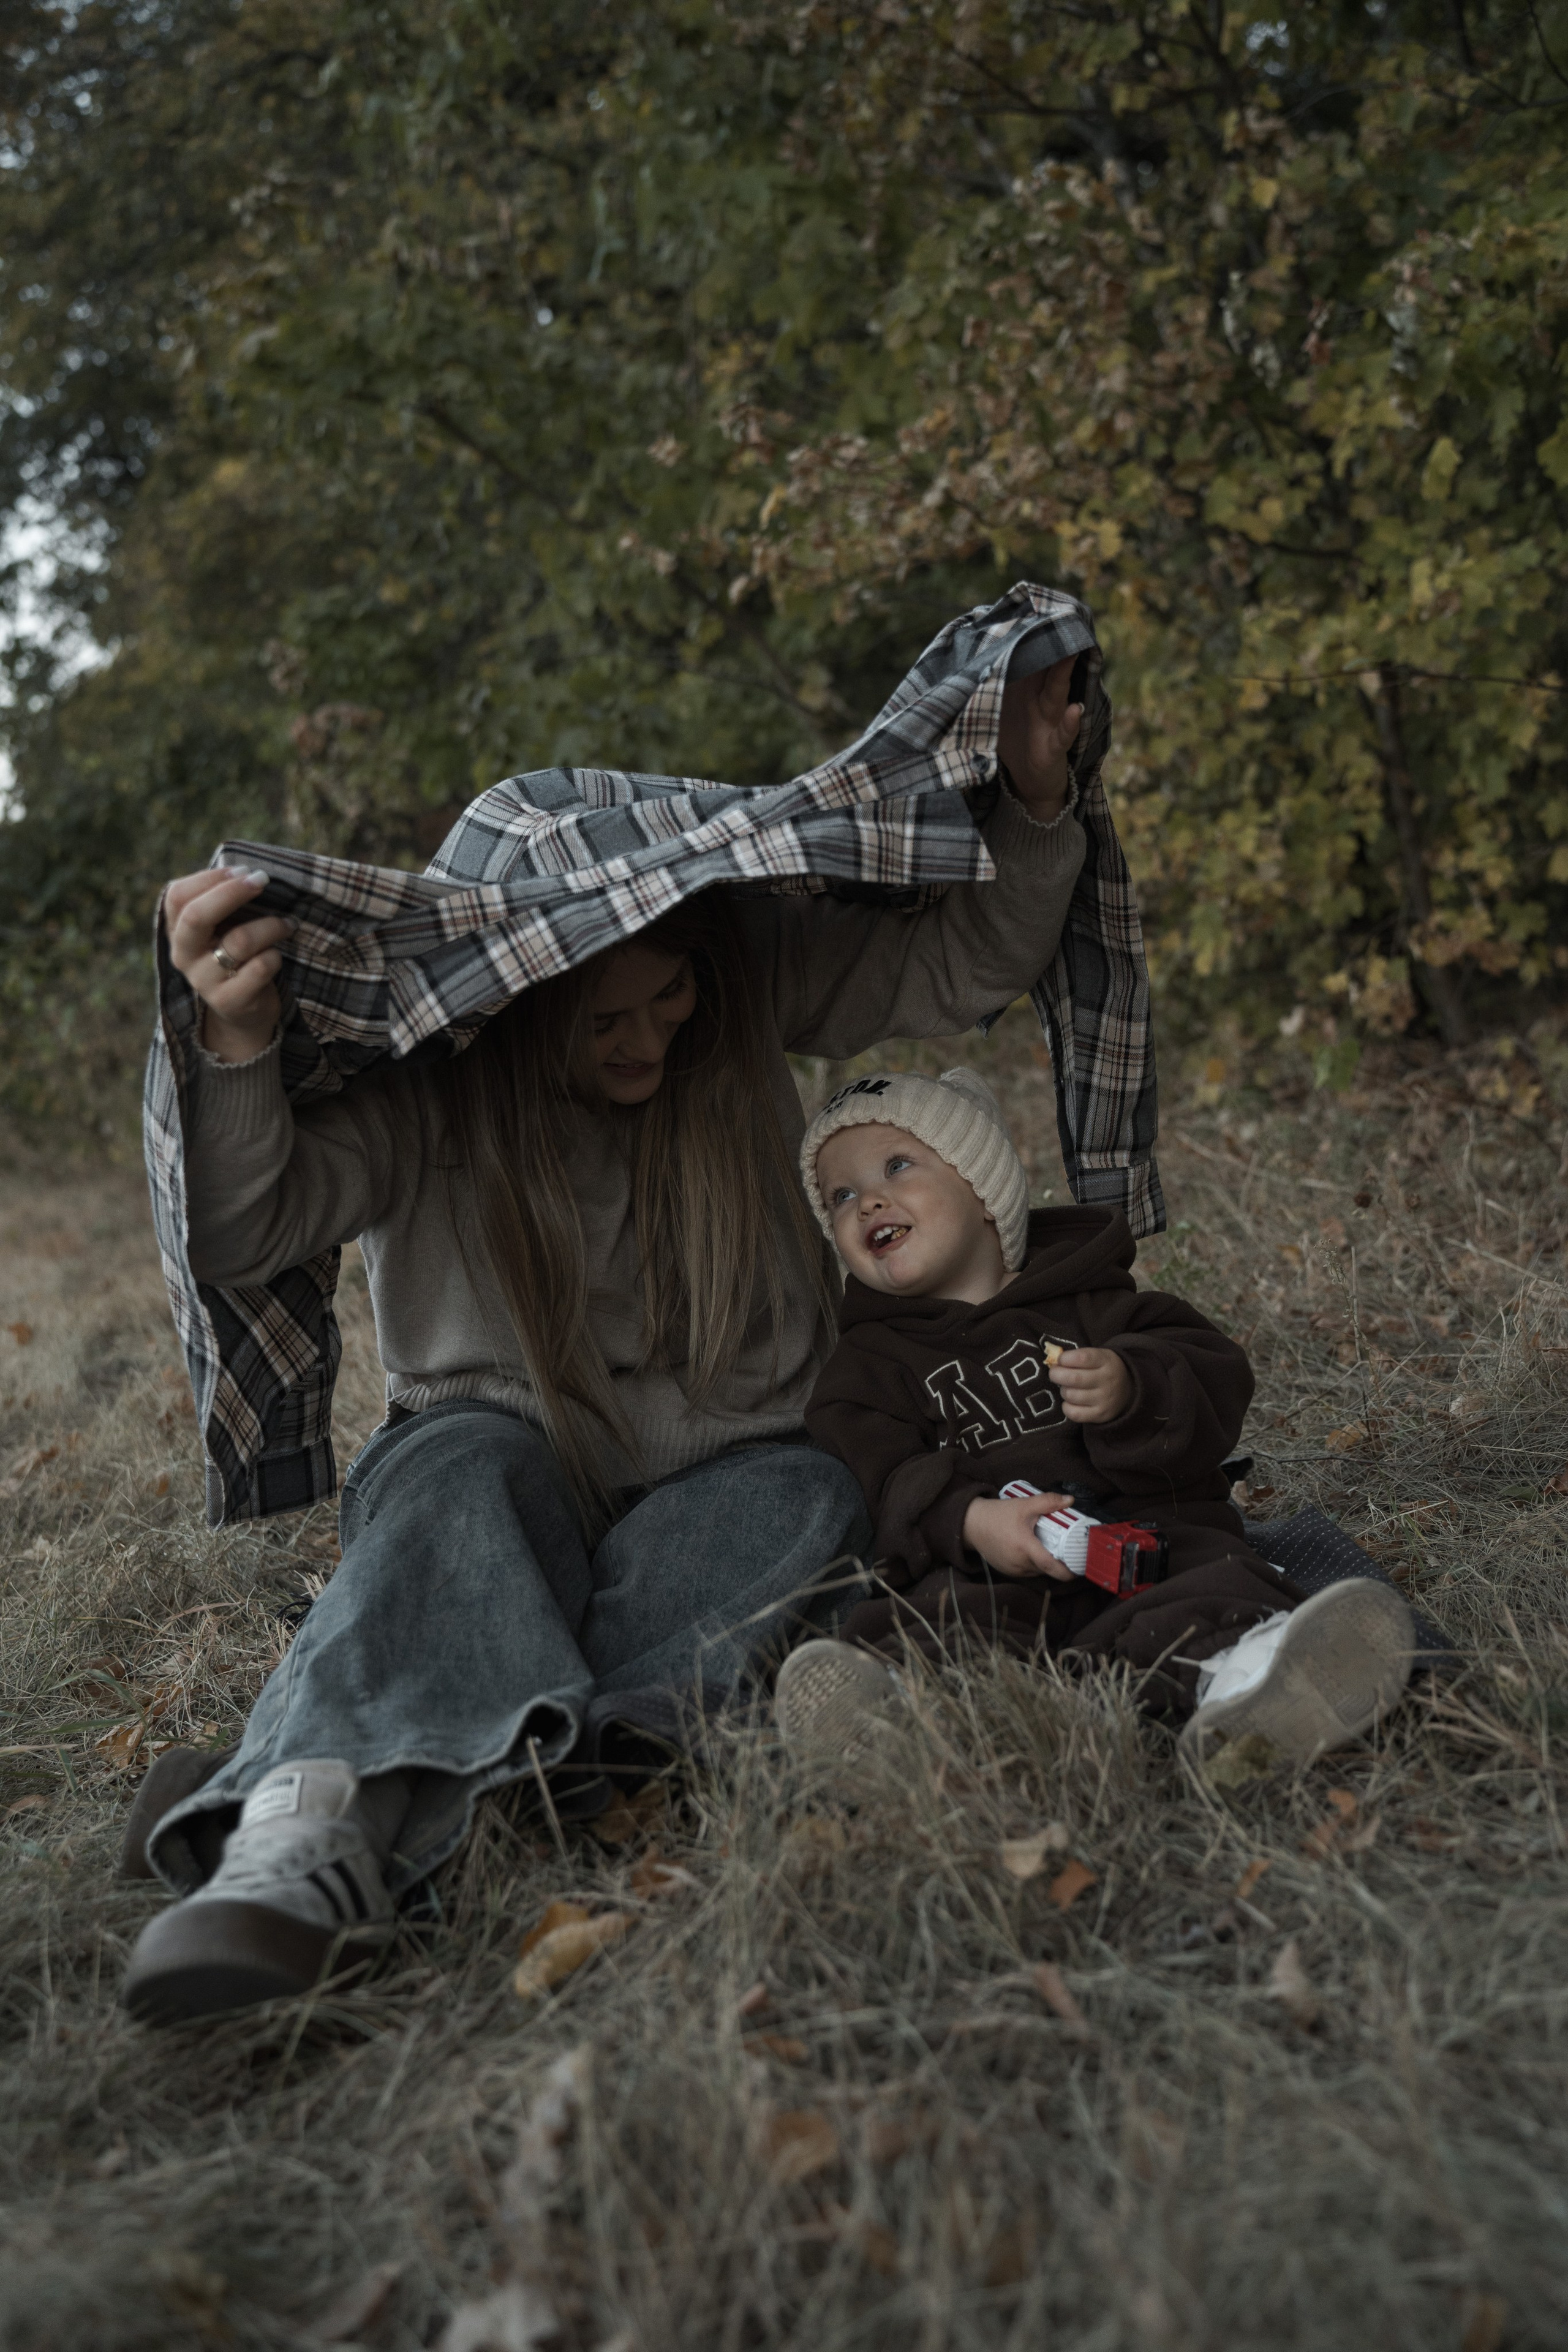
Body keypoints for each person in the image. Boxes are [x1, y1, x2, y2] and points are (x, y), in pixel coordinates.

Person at [123, 655, 1096, 2026]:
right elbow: (245, 1227)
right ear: (521, 1003)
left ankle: (422, 1761)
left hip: (733, 1456)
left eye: (668, 1001)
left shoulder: (744, 981)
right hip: (497, 1436)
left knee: (815, 1494)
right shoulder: (438, 1077)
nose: (649, 1040)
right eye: (606, 1019)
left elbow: (961, 959)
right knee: (457, 1498)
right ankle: (296, 1842)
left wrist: (1036, 807)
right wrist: (231, 1044)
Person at [777, 1066, 1414, 1777]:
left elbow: (1214, 1375)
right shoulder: (866, 1367)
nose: (867, 1202)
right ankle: (901, 1722)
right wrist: (967, 1520)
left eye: (897, 1166)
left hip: (1144, 1537)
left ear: (983, 1192)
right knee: (932, 1625)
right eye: (841, 1196)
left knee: (1213, 1587)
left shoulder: (1091, 1301)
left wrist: (1132, 1384)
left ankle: (1251, 1685)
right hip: (990, 1574)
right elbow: (879, 1476)